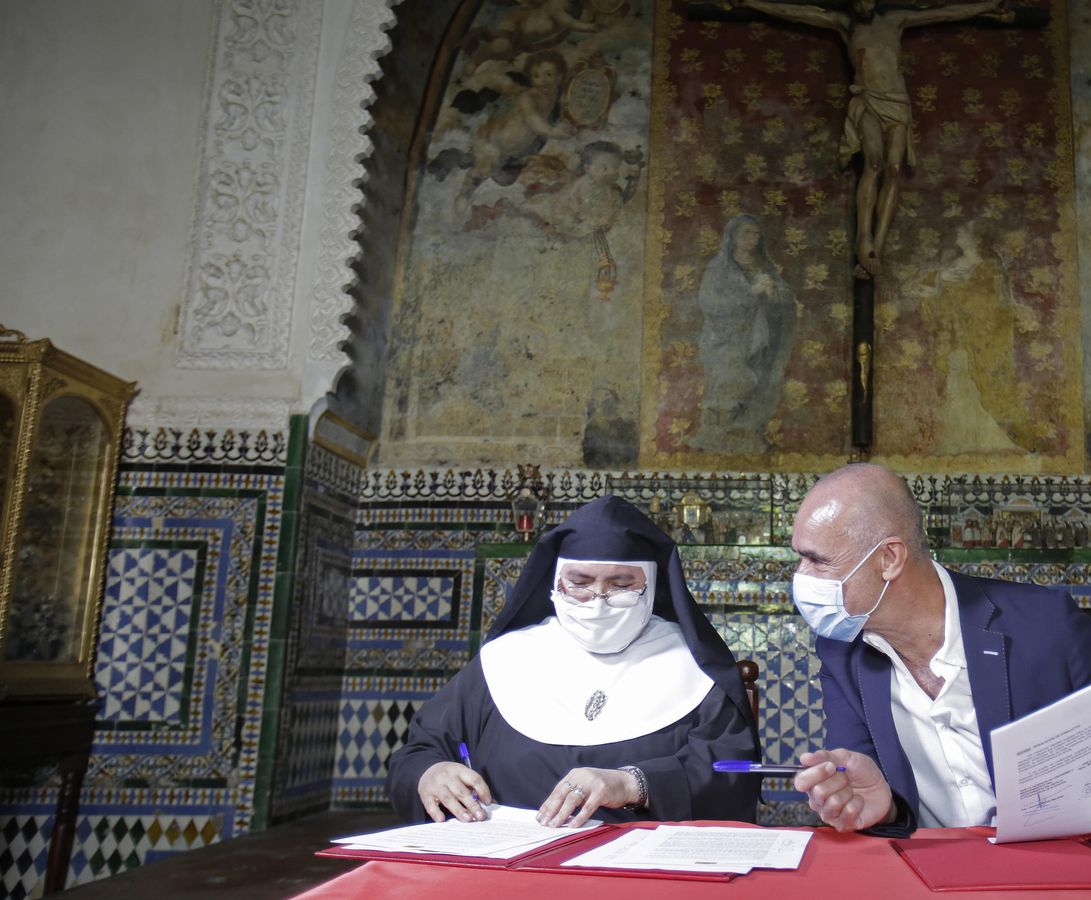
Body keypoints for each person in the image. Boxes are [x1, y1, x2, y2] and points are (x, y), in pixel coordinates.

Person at [786, 463, 1091, 842]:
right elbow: (872, 798)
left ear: (889, 559)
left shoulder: (1047, 626)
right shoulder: (841, 651)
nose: (800, 577)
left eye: (817, 561)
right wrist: (882, 809)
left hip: (1058, 878)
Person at [387, 496, 759, 826]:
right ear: (555, 584)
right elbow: (419, 751)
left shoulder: (694, 668)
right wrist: (430, 773)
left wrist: (633, 784)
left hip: (643, 874)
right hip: (508, 870)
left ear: (651, 586)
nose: (598, 598)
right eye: (579, 581)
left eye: (622, 583)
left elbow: (733, 772)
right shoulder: (505, 661)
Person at [731, 0, 1008, 278]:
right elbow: (794, 11)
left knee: (894, 169)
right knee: (873, 163)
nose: (863, 3)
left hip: (898, 103)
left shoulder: (896, 19)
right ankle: (864, 237)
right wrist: (750, 2)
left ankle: (879, 245)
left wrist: (988, 6)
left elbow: (946, 13)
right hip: (868, 101)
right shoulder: (844, 24)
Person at [690, 213, 797, 454]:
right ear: (733, 237)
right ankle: (716, 433)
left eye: (756, 234)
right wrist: (750, 293)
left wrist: (772, 294)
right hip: (725, 340)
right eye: (746, 233)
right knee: (731, 382)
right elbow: (709, 303)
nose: (752, 238)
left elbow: (784, 300)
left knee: (757, 383)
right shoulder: (718, 268)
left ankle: (744, 431)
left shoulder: (765, 267)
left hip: (758, 338)